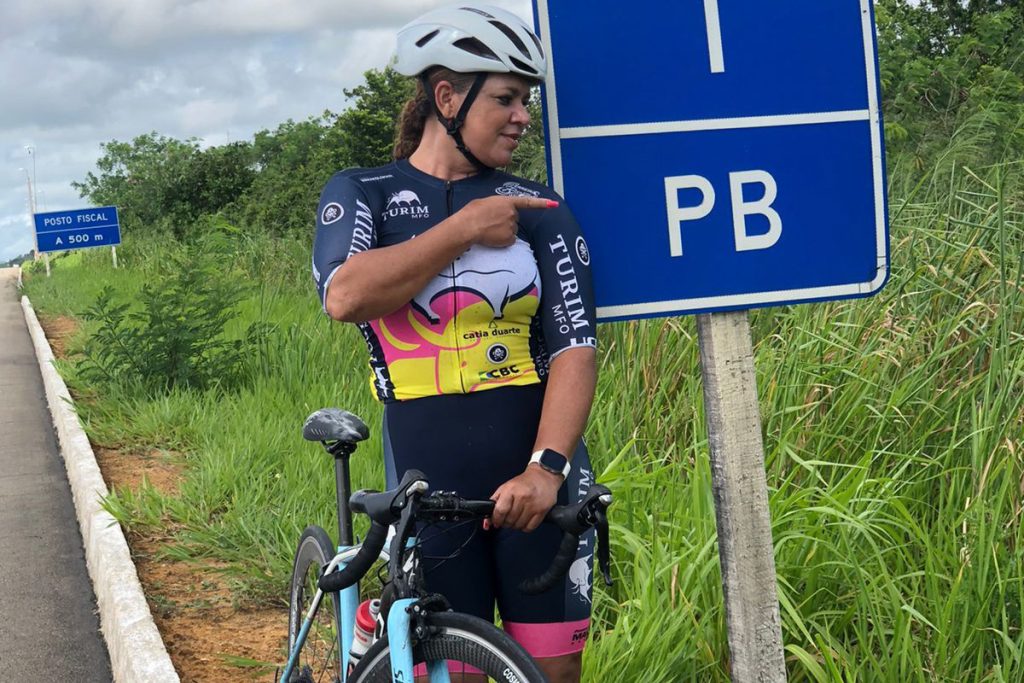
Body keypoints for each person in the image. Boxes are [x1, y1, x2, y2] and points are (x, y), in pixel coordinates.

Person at [312, 5, 597, 682]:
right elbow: (345, 295)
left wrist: (546, 467)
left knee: (550, 674)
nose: (522, 116)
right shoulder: (365, 194)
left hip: (540, 478)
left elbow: (575, 347)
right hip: (430, 480)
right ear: (447, 98)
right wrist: (464, 227)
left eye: (525, 100)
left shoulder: (538, 209)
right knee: (455, 673)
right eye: (504, 97)